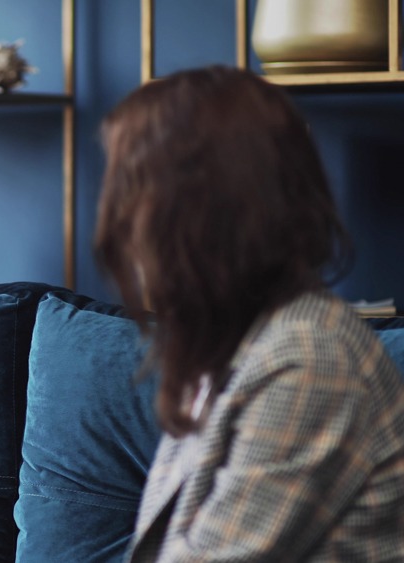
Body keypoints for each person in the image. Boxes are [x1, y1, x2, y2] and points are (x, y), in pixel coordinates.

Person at [93, 66, 404, 561]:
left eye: (135, 188)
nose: (122, 220)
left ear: (199, 210)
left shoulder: (307, 359)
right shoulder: (231, 342)